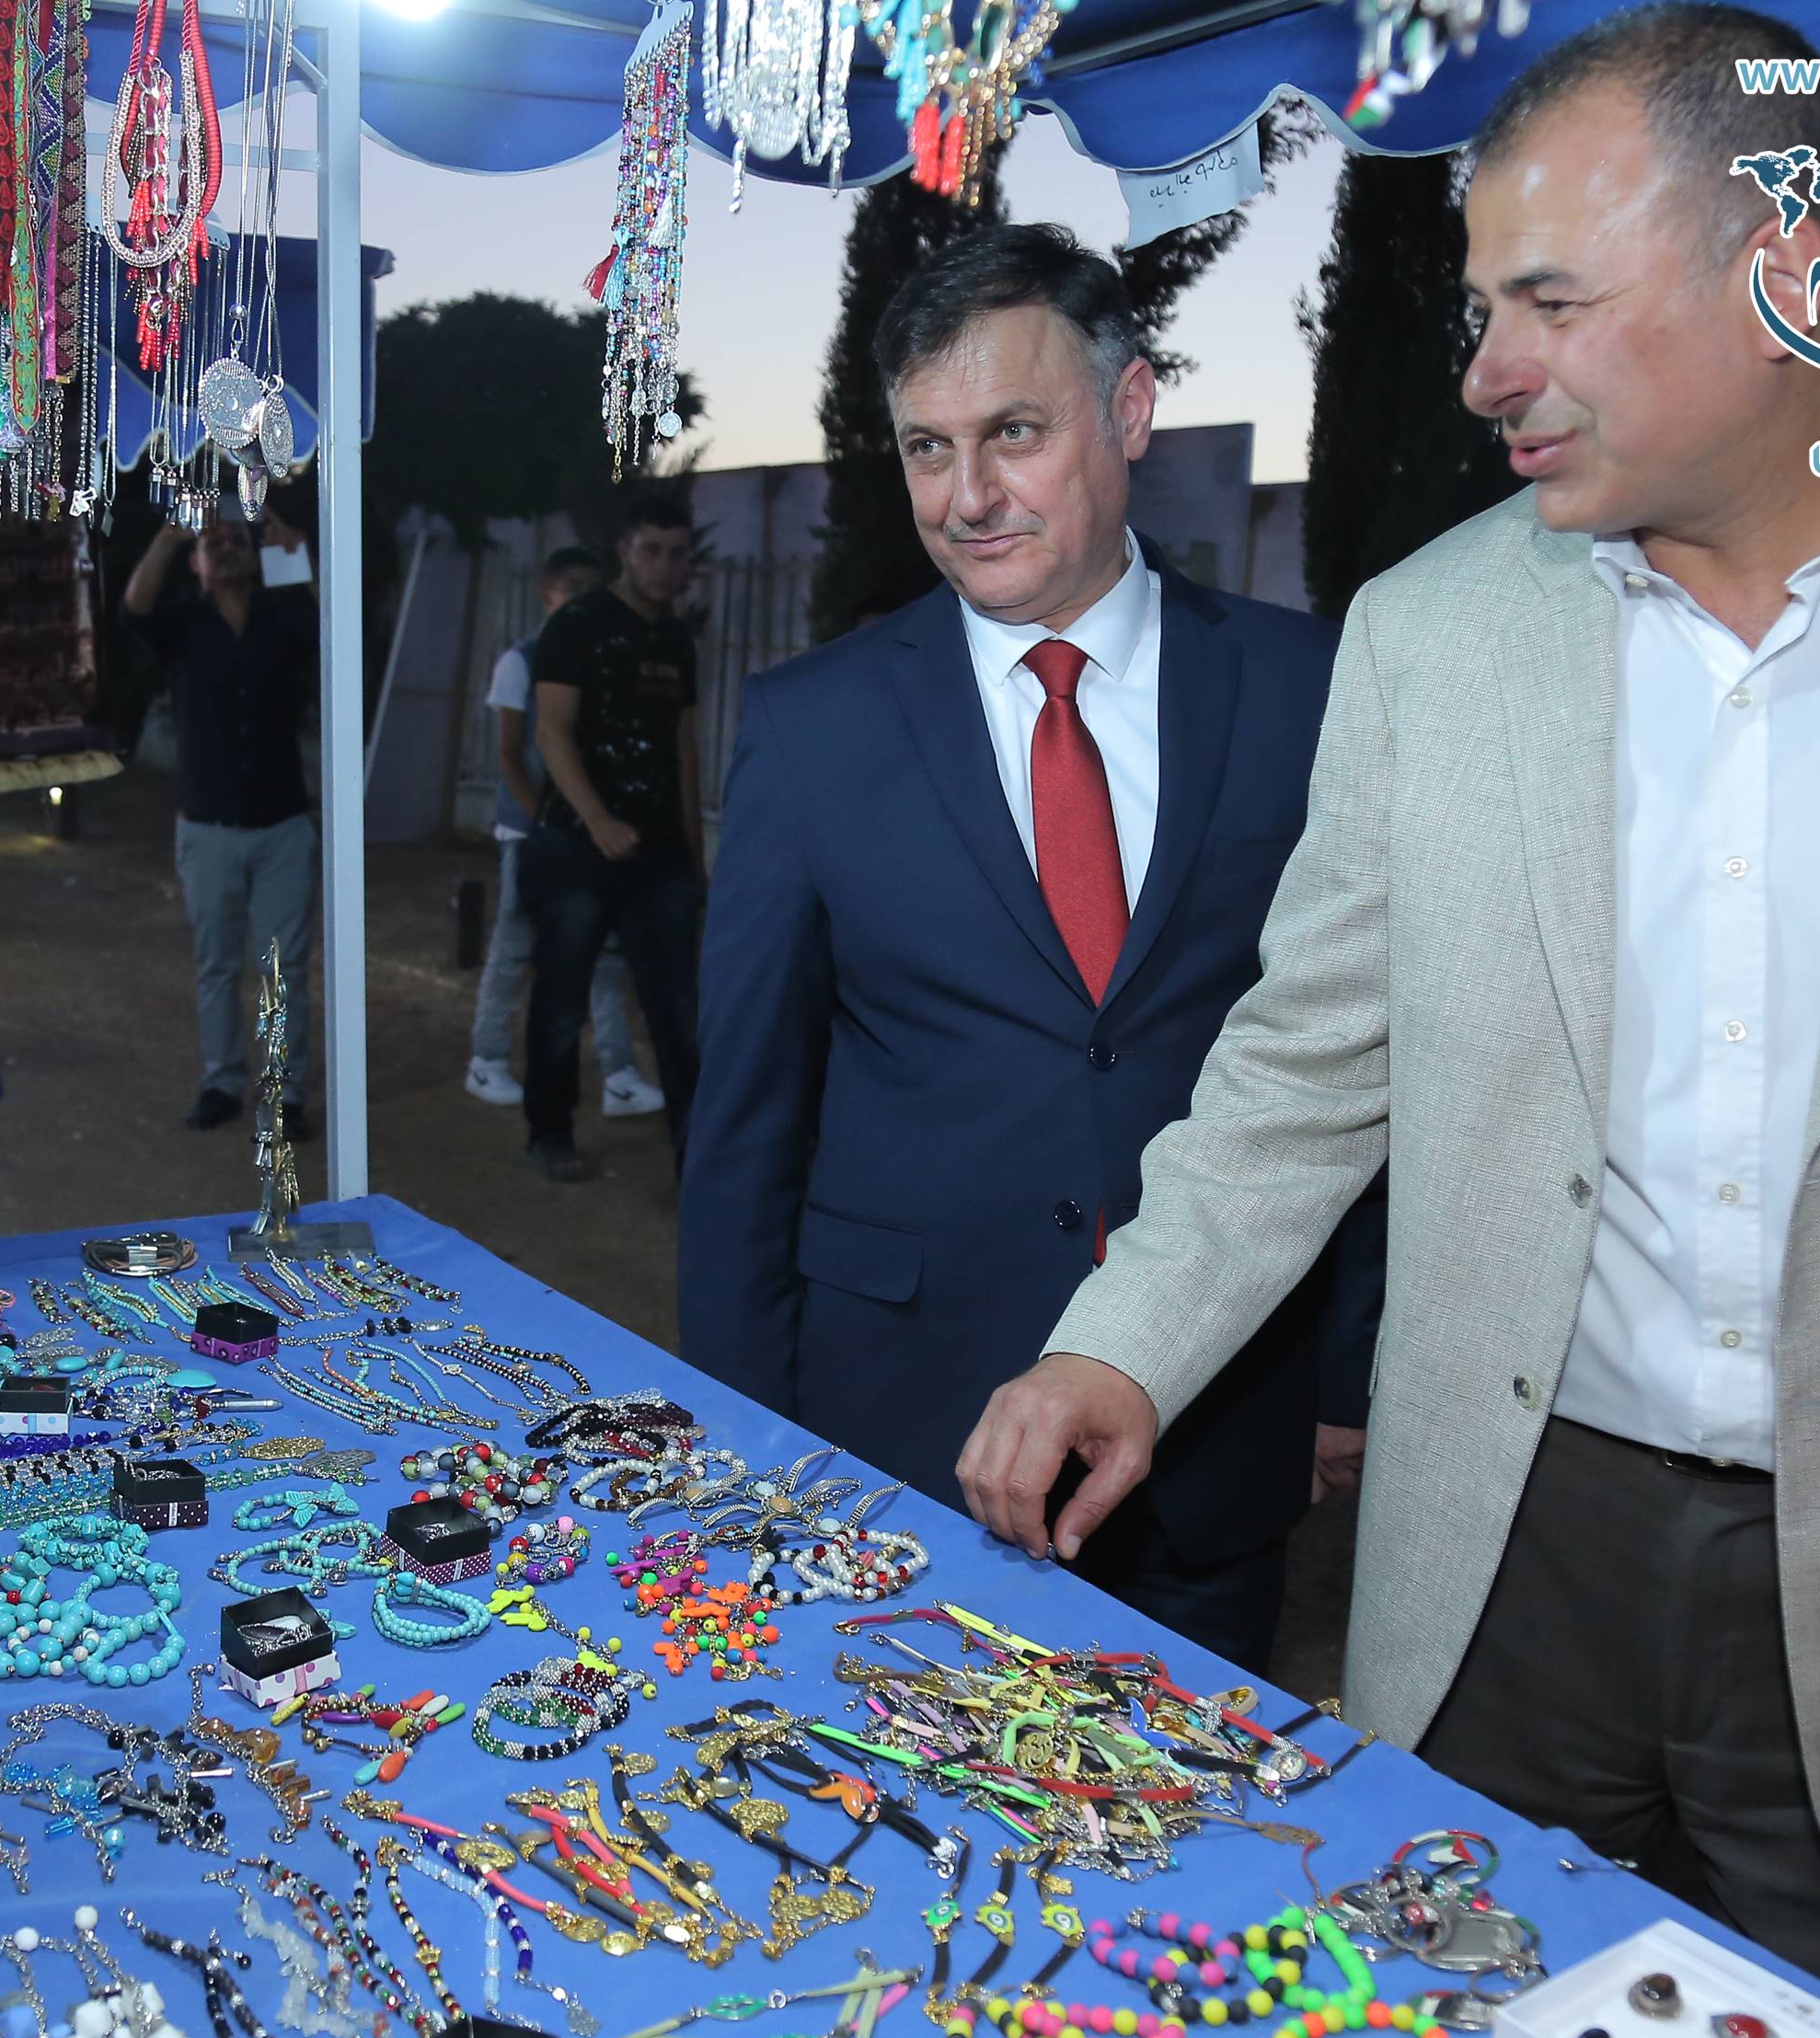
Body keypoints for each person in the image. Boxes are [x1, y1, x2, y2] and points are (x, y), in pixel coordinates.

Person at [954, 0, 1820, 2038]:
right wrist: (1117, 1344)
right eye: (1477, 309)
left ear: (1788, 269)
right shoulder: (1432, 630)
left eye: (1552, 302)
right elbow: (1306, 1070)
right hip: (1504, 1555)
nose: (1486, 370)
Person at [679, 225, 1379, 1667]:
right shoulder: (813, 728)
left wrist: (1343, 1374)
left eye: (1013, 433)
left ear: (1128, 411)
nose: (967, 497)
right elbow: (744, 1125)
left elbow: (1364, 1060)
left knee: (1192, 1799)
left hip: (1213, 1427)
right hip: (898, 1430)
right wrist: (739, 1437)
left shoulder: (1308, 690)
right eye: (926, 450)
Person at [523, 492, 707, 1181]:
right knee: (561, 998)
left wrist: (692, 856)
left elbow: (685, 748)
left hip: (658, 855)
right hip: (575, 846)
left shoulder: (676, 640)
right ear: (625, 551)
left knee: (679, 1007)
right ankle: (550, 1135)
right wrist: (598, 821)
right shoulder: (578, 625)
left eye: (677, 554)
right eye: (652, 551)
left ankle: (697, 1150)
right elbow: (551, 732)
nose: (665, 566)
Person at [125, 511, 319, 1136]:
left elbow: (335, 630)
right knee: (217, 964)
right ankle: (222, 1082)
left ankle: (284, 1092)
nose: (230, 550)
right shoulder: (183, 625)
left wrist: (299, 555)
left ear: (256, 557)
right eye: (215, 543)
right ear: (197, 564)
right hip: (207, 825)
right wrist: (168, 536)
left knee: (283, 969)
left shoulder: (282, 621)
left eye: (239, 541)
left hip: (281, 823)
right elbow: (135, 609)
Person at [465, 546, 666, 1124]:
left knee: (604, 955)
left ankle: (619, 1075)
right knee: (515, 945)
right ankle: (487, 1059)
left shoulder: (601, 662)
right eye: (574, 588)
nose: (585, 600)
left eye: (593, 589)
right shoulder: (520, 661)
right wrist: (545, 825)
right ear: (548, 594)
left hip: (588, 833)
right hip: (532, 832)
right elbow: (510, 756)